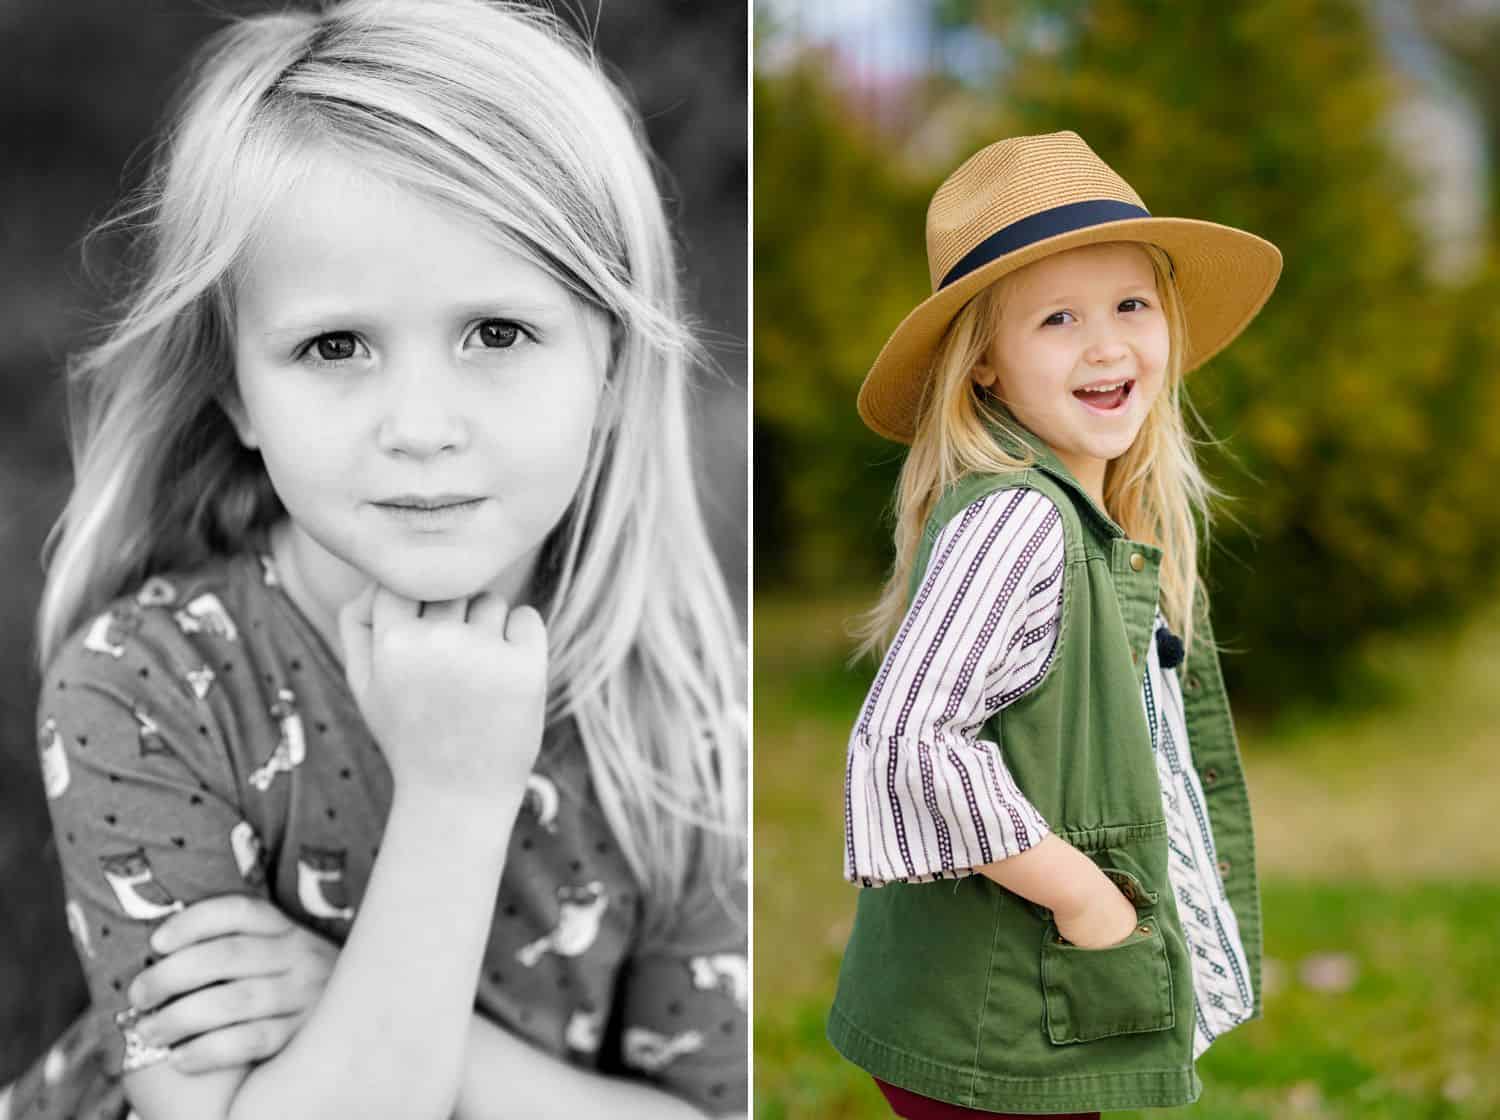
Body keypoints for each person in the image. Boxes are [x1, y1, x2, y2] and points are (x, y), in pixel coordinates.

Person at [0, 2, 746, 1118]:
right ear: (235, 391)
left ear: (611, 366)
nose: (420, 424)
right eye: (333, 345)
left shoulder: (676, 715)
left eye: (496, 332)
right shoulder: (148, 684)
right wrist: (453, 798)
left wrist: (346, 997)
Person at [827, 131, 1281, 1118]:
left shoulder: (1088, 518)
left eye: (1130, 304)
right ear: (984, 365)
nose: (1108, 344)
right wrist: (1083, 897)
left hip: (1017, 1011)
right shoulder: (1021, 518)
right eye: (1058, 319)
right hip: (995, 1016)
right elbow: (907, 741)